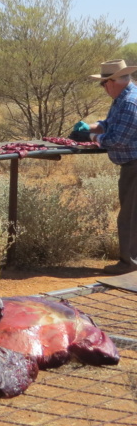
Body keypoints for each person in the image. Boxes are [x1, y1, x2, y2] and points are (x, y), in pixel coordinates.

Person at [72, 59, 137, 275]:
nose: (103, 88)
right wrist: (91, 127)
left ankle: (129, 265)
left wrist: (89, 136)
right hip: (130, 164)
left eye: (103, 83)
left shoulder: (130, 102)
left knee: (130, 216)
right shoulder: (122, 99)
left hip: (135, 165)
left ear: (112, 82)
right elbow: (110, 124)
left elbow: (118, 138)